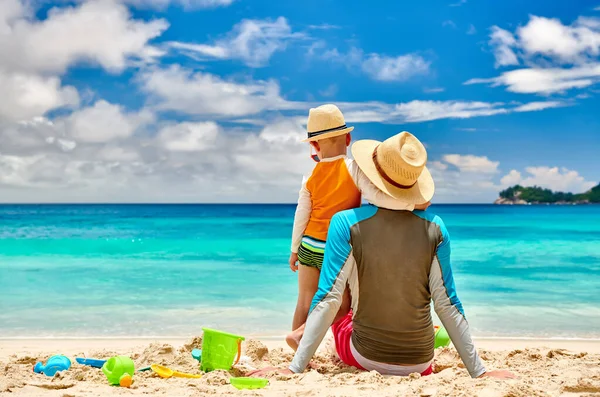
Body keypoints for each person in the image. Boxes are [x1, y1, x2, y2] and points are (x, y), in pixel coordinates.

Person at [254, 132, 516, 379]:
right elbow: (447, 303)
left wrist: (293, 368)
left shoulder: (345, 223)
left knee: (341, 314)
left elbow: (329, 298)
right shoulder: (436, 227)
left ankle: (311, 347)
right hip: (421, 362)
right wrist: (480, 373)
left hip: (365, 356)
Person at [288, 105, 429, 345]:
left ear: (314, 146)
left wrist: (294, 251)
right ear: (348, 138)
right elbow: (378, 197)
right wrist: (411, 205)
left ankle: (300, 352)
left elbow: (301, 216)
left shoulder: (310, 177)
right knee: (341, 305)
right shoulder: (354, 168)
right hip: (335, 247)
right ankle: (302, 334)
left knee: (304, 299)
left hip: (308, 244)